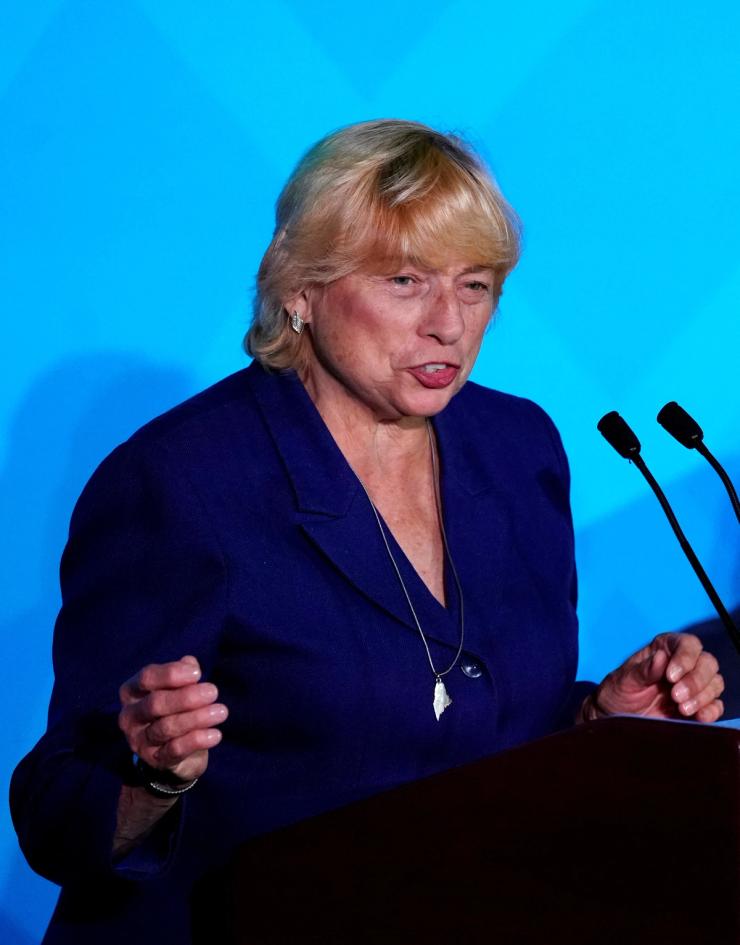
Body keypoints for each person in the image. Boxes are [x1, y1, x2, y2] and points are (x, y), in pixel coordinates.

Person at [11, 119, 724, 944]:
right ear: (299, 289)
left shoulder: (518, 447)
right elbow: (54, 814)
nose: (449, 326)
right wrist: (151, 775)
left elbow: (459, 721)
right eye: (404, 280)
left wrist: (598, 716)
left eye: (476, 284)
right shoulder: (180, 483)